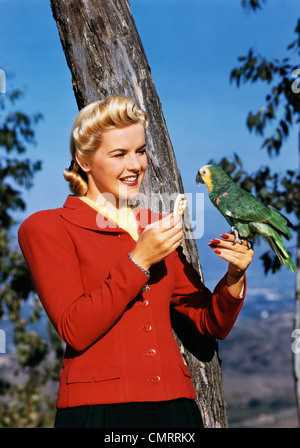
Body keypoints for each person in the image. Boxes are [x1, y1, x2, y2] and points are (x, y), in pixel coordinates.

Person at [18, 95, 254, 428]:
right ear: (83, 160)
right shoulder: (46, 227)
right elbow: (75, 329)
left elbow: (207, 321)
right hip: (98, 411)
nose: (135, 166)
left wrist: (234, 277)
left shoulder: (153, 223)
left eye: (140, 151)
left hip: (175, 409)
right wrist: (139, 259)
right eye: (119, 154)